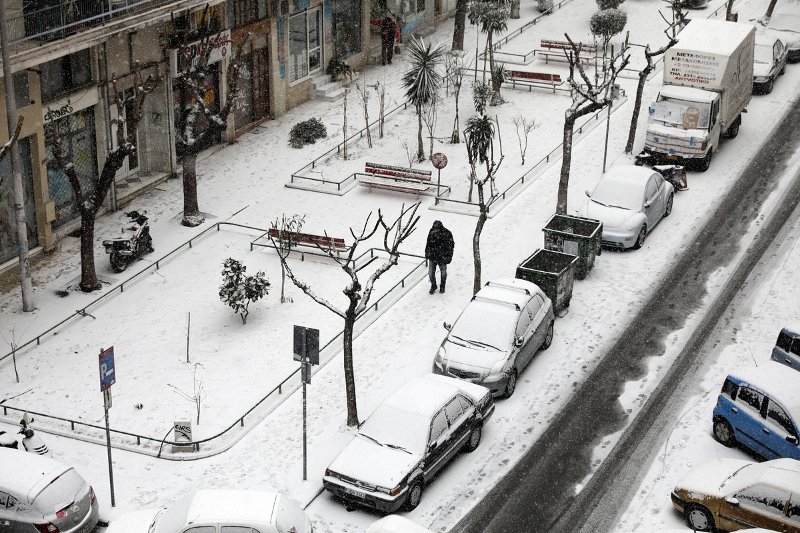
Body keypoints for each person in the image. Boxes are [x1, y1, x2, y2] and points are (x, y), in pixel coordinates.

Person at [425, 220, 454, 294]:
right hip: (433, 256)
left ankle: (442, 286)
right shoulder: (431, 233)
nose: (435, 231)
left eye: (437, 229)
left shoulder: (447, 234)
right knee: (431, 273)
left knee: (443, 273)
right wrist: (427, 253)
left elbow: (451, 247)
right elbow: (428, 243)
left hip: (442, 257)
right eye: (434, 229)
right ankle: (433, 286)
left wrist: (448, 257)